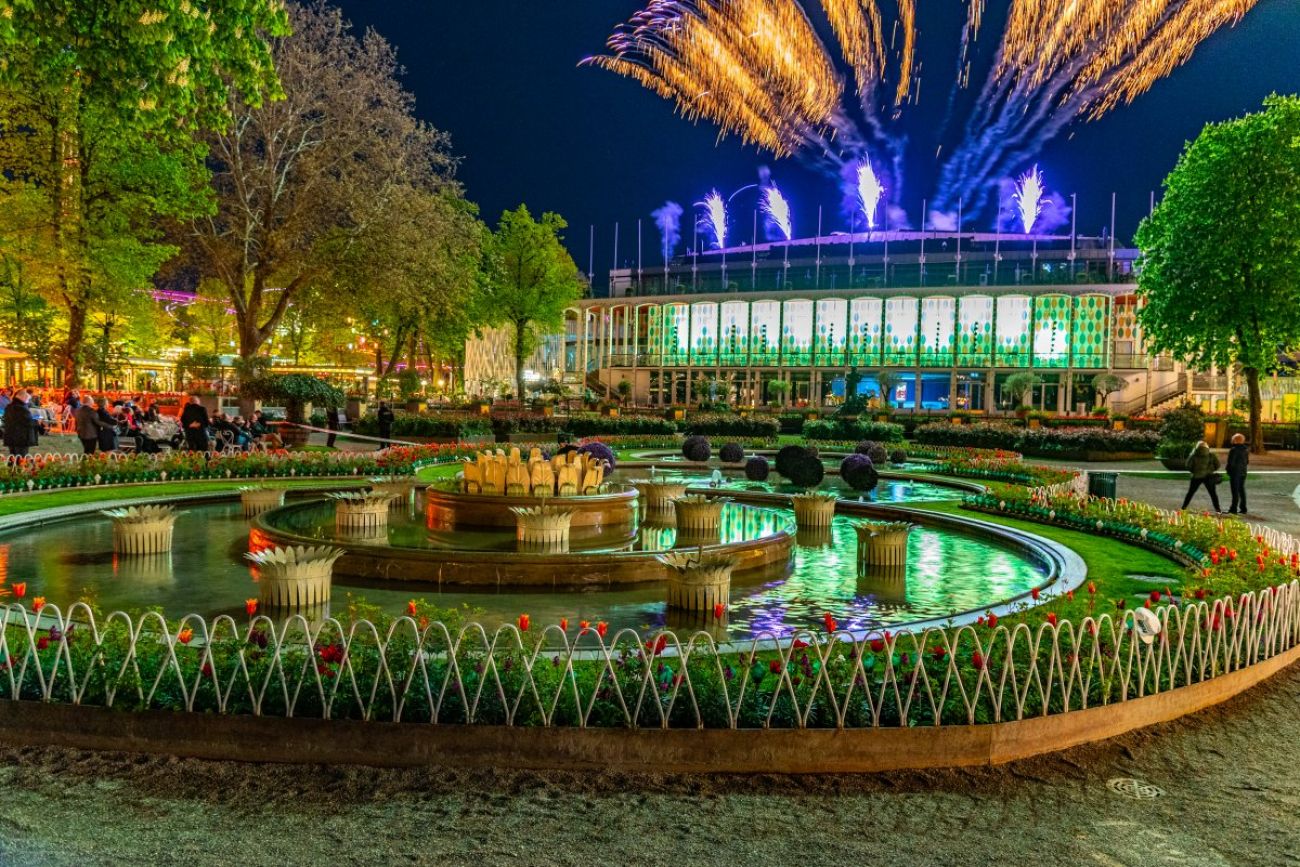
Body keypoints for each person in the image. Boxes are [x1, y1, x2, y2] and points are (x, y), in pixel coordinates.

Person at [1182, 440, 1223, 512]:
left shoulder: (1193, 455)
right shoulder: (1211, 455)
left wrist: (1194, 471)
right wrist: (1211, 470)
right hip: (1209, 477)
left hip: (1196, 477)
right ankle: (1218, 509)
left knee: (1190, 493)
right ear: (1206, 446)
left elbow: (1188, 465)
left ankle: (1183, 507)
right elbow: (1218, 465)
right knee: (1213, 494)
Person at [2, 389, 36, 457]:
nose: (27, 399)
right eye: (26, 397)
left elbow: (5, 420)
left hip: (10, 436)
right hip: (21, 438)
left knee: (13, 457)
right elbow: (28, 422)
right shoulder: (21, 408)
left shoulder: (9, 407)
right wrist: (37, 421)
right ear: (21, 396)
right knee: (21, 458)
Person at [1227, 432, 1250, 515]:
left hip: (1235, 473)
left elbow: (1231, 462)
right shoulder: (1245, 450)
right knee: (1241, 490)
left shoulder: (1233, 450)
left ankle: (1233, 508)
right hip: (1243, 472)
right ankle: (1243, 508)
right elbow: (1247, 461)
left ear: (1235, 440)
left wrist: (1228, 470)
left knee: (1235, 491)